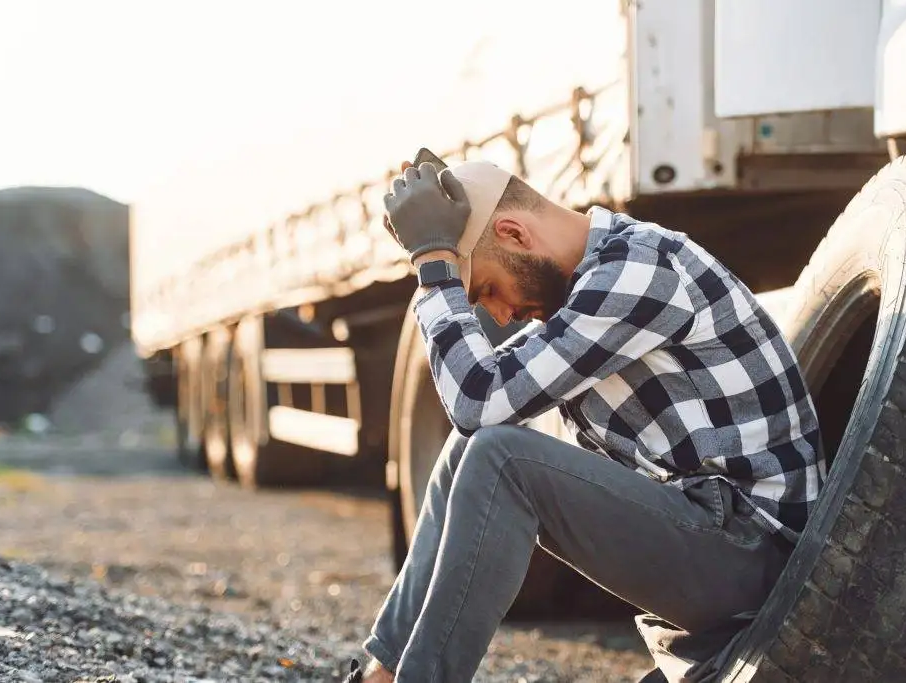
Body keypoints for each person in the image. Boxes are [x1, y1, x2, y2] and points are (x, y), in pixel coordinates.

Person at [342, 158, 823, 683]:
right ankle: (380, 674)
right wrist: (433, 260)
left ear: (514, 234)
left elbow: (477, 401)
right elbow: (478, 405)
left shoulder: (639, 271)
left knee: (503, 459)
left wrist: (436, 269)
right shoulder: (586, 294)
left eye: (485, 290)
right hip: (715, 544)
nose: (497, 316)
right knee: (469, 453)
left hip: (757, 560)